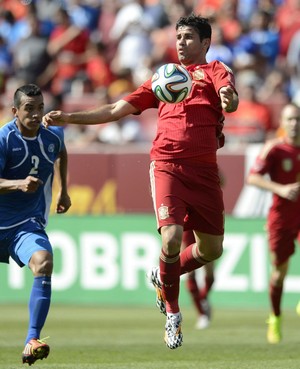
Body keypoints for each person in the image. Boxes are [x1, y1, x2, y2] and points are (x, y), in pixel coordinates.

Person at [43, 13, 239, 349]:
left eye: (189, 37)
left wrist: (228, 99)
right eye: (178, 36)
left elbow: (230, 97)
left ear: (205, 42)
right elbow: (115, 109)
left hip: (205, 172)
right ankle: (174, 315)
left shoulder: (215, 70)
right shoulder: (162, 78)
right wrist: (71, 117)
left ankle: (163, 274)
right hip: (167, 166)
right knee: (172, 238)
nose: (181, 42)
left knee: (212, 250)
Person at [0, 84, 71, 365]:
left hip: (25, 224)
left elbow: (61, 152)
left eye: (40, 107)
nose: (36, 114)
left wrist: (63, 189)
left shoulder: (52, 135)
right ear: (15, 111)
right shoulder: (4, 139)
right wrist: (19, 184)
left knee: (43, 261)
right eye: (29, 108)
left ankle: (32, 339)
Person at [247, 103, 300, 344]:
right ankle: (275, 317)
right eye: (290, 119)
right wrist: (281, 188)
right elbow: (253, 177)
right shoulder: (274, 149)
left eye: (298, 119)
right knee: (279, 274)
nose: (294, 124)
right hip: (281, 217)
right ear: (282, 122)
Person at [181, 230, 214, 330]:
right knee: (189, 273)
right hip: (187, 227)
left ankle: (202, 298)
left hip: (203, 224)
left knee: (210, 274)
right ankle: (202, 314)